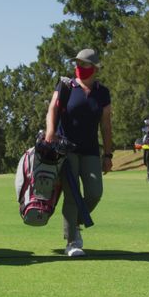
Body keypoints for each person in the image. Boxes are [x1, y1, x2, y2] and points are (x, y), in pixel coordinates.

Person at [43, 48, 113, 257]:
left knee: (94, 192)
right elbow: (53, 110)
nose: (79, 68)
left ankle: (75, 222)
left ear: (94, 68)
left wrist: (108, 154)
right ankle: (72, 241)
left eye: (84, 64)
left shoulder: (102, 92)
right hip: (66, 149)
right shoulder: (66, 86)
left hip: (91, 150)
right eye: (77, 64)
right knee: (72, 195)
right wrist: (50, 131)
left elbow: (106, 125)